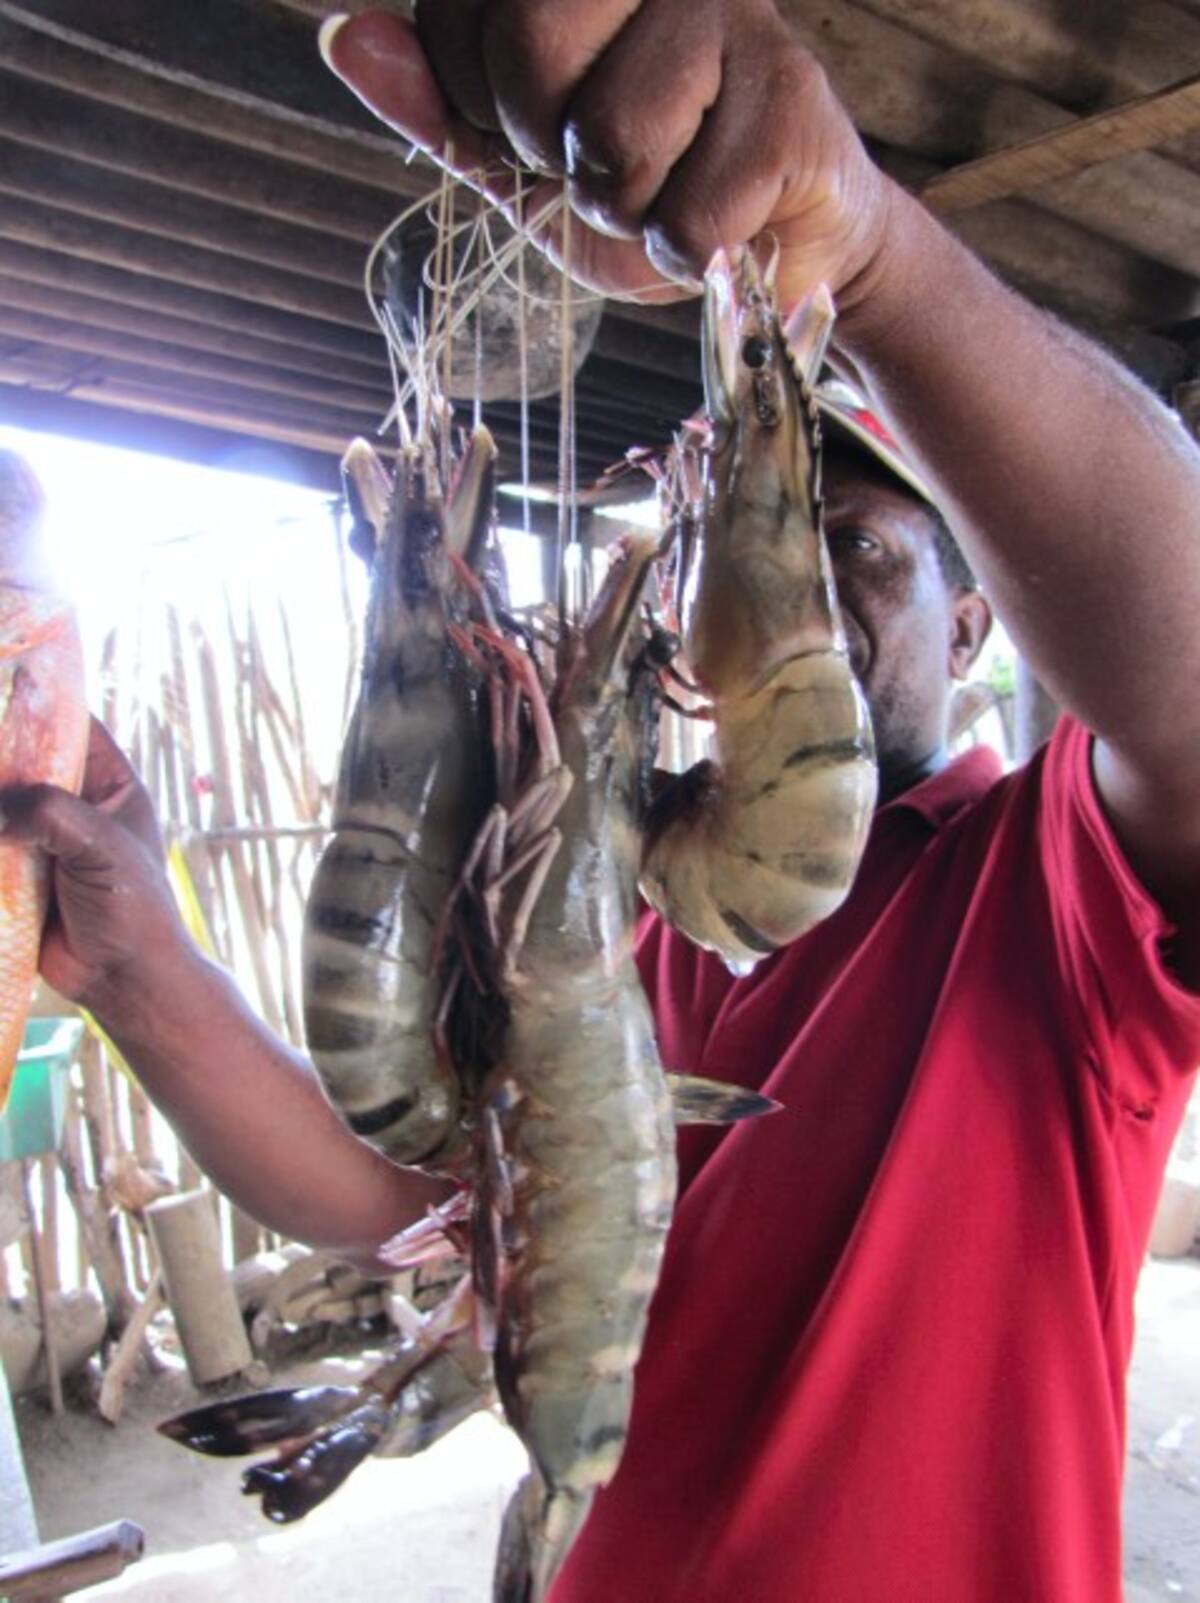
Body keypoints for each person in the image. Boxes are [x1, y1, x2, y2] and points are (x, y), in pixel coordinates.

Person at [4, 4, 1200, 1599]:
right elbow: (397, 1188)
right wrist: (143, 973)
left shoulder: (1055, 882)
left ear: (976, 624)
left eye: (865, 552)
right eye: (776, 550)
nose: (813, 597)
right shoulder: (631, 865)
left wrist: (878, 256)